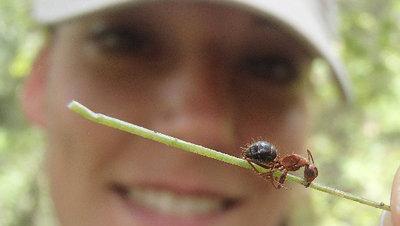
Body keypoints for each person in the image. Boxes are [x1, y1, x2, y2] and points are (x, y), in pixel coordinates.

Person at [21, 0, 399, 225]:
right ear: (38, 81)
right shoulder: (283, 165)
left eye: (270, 66)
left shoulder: (287, 166)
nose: (197, 126)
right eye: (125, 41)